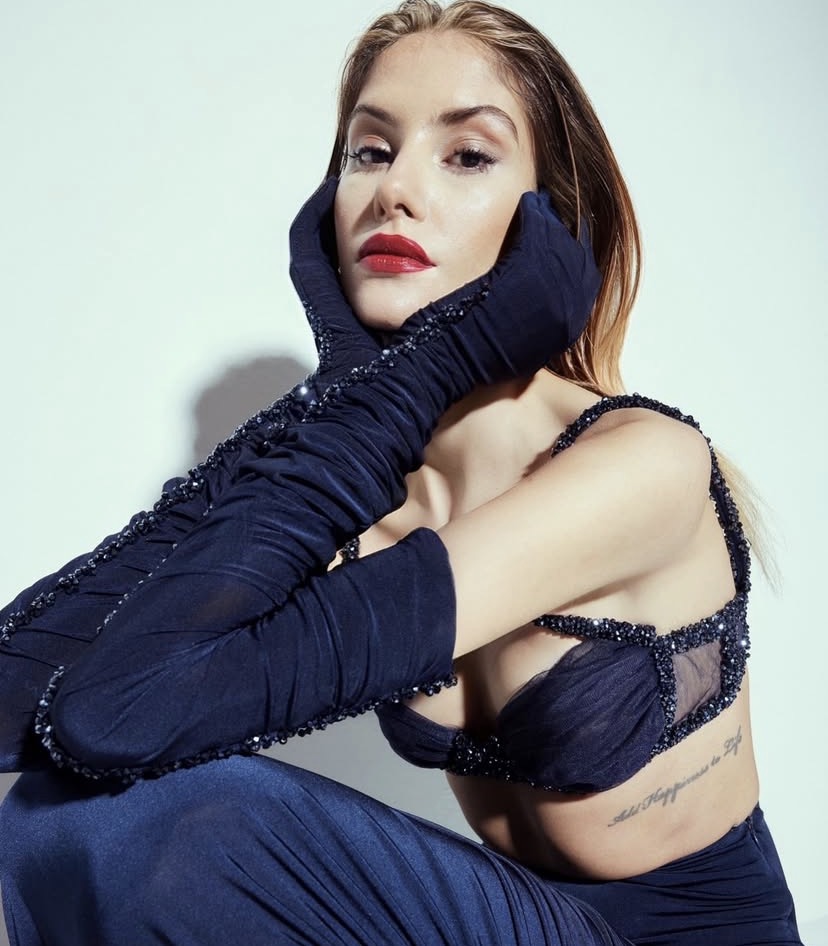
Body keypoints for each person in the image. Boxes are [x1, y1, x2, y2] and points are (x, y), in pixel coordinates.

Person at [0, 1, 803, 943]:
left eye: (466, 156)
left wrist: (416, 370)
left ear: (551, 224)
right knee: (48, 819)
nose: (395, 191)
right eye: (370, 152)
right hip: (521, 922)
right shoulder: (357, 474)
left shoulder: (640, 466)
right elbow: (19, 703)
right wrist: (348, 387)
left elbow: (115, 718)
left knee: (155, 826)